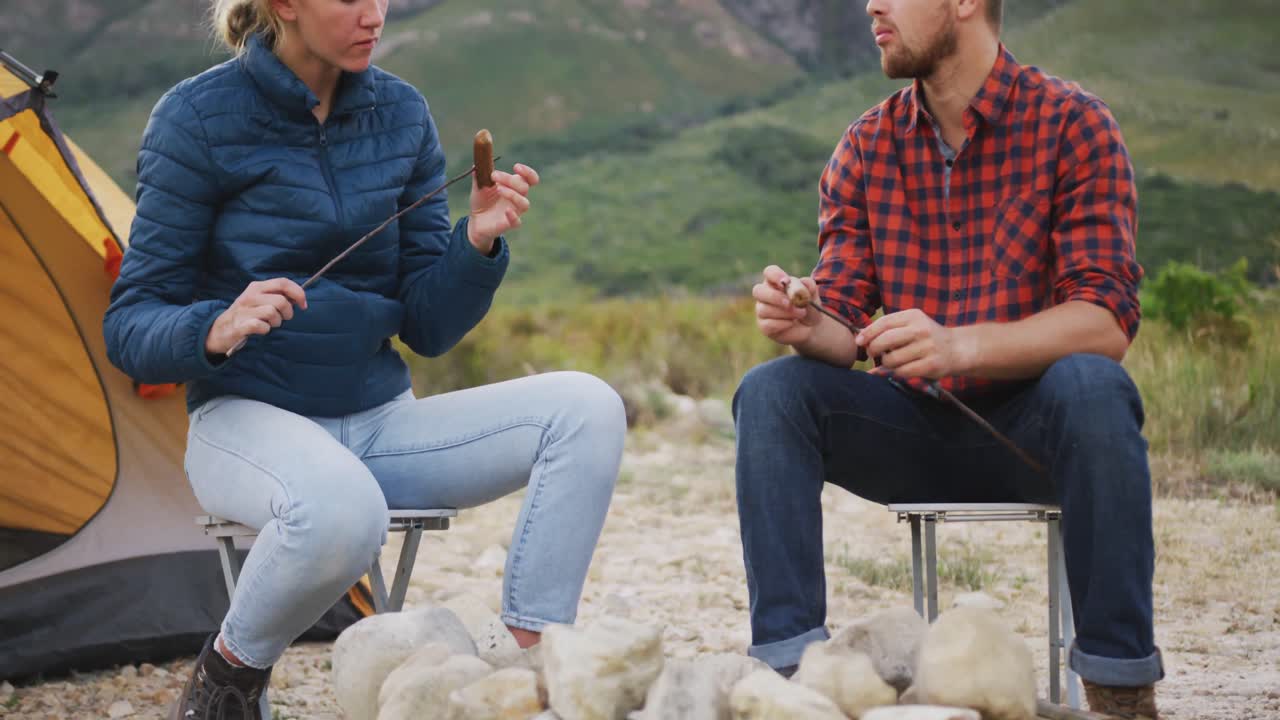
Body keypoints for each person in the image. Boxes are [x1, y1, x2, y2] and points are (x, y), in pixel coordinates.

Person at [103, 0, 626, 717]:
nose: (373, 13)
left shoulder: (401, 112)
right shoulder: (194, 118)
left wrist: (473, 247)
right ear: (284, 5)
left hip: (380, 426)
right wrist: (214, 325)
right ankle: (225, 678)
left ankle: (527, 662)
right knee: (345, 510)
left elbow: (428, 324)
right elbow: (130, 325)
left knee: (587, 408)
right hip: (246, 423)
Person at [733, 0, 1161, 717]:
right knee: (771, 392)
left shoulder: (1075, 124)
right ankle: (791, 679)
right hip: (910, 431)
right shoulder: (867, 144)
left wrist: (957, 343)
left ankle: (1119, 688)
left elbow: (1104, 320)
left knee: (1094, 384)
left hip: (1039, 432)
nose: (872, 5)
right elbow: (843, 319)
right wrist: (805, 320)